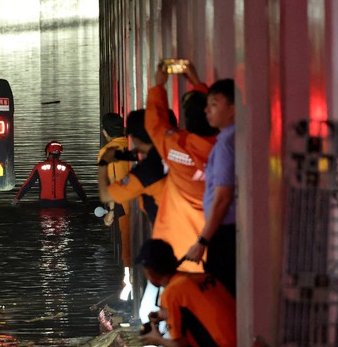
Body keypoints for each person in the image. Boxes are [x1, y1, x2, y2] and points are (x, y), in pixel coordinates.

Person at [136, 238, 237, 347]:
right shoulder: (195, 278)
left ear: (150, 271)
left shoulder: (171, 293)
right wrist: (163, 315)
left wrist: (158, 340)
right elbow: (200, 312)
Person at [144, 61, 218, 278]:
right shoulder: (224, 148)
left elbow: (155, 124)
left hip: (179, 247)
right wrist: (198, 84)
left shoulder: (177, 147)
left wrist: (159, 85)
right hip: (215, 243)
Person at [184, 78, 237, 298]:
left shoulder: (225, 145)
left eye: (214, 104)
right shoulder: (230, 138)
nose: (207, 110)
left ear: (232, 109)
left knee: (222, 294)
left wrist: (202, 241)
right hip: (227, 231)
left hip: (223, 234)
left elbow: (223, 198)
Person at [97, 113, 133, 298]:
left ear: (105, 132)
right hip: (141, 203)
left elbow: (111, 183)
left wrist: (111, 211)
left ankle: (128, 291)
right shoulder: (132, 144)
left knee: (127, 248)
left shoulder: (107, 152)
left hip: (123, 206)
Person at [12, 140, 88, 208]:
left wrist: (16, 199)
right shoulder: (67, 168)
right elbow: (77, 186)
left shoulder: (39, 167)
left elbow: (28, 184)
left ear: (48, 152)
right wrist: (85, 201)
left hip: (44, 204)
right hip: (61, 203)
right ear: (59, 153)